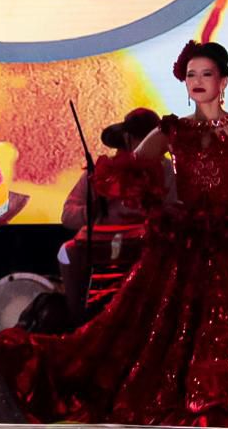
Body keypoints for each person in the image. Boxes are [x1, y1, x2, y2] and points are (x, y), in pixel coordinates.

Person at [0, 40, 228, 427]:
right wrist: (153, 204)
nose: (198, 81)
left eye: (207, 74)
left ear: (224, 81)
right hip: (183, 242)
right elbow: (128, 169)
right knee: (163, 327)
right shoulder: (172, 130)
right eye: (191, 75)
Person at [57, 107, 167, 321]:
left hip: (148, 248)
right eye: (140, 138)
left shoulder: (167, 171)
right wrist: (94, 208)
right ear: (126, 138)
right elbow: (67, 215)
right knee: (66, 252)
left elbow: (177, 209)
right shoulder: (102, 172)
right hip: (102, 248)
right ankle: (77, 318)